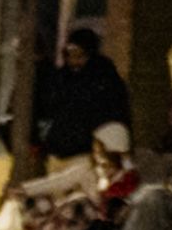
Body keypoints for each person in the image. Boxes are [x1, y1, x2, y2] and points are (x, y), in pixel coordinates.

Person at [31, 26, 130, 166]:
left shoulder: (104, 80)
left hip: (87, 154)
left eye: (79, 56)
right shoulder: (62, 79)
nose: (74, 62)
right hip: (59, 153)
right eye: (70, 55)